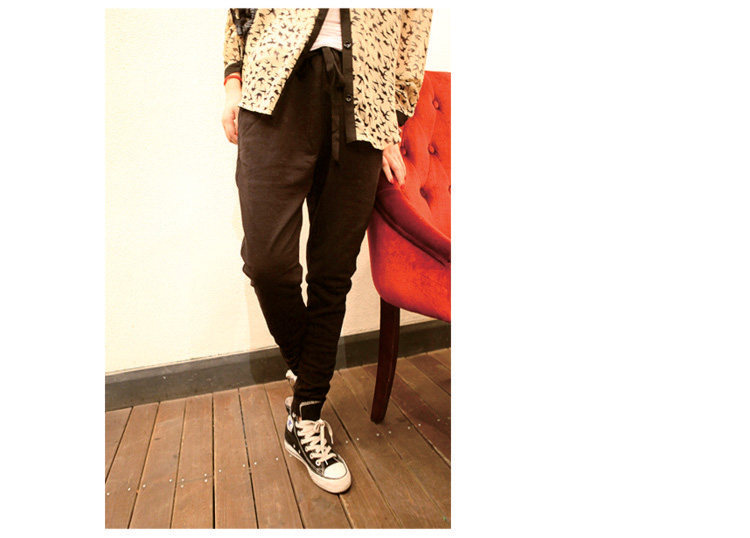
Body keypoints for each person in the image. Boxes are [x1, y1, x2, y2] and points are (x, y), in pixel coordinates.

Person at [221, 7, 432, 494]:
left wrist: (393, 120)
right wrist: (233, 81)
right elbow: (239, 13)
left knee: (333, 272)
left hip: (366, 101)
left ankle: (307, 415)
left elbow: (414, 28)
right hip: (275, 87)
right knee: (267, 263)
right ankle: (310, 372)